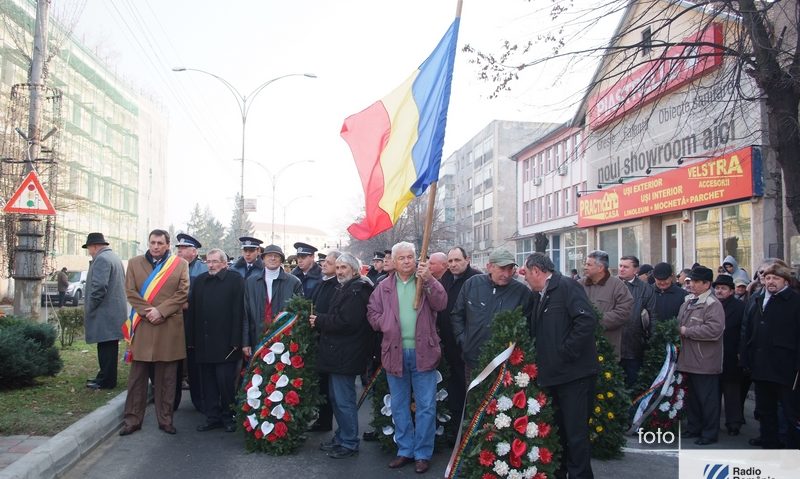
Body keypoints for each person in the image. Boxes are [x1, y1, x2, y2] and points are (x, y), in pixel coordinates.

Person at [367, 241, 447, 474]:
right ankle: (405, 450)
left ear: (416, 259)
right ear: (393, 260)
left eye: (409, 257)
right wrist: (385, 323)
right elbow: (372, 312)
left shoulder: (425, 281)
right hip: (394, 352)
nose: (405, 261)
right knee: (400, 405)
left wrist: (430, 279)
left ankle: (422, 453)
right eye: (401, 257)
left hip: (424, 352)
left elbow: (441, 303)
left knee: (426, 406)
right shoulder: (384, 287)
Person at [524, 252, 597, 479]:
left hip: (574, 375)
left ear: (536, 271)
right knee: (561, 431)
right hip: (554, 376)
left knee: (576, 433)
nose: (525, 278)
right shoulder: (540, 295)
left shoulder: (566, 287)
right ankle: (560, 471)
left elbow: (586, 320)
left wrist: (566, 352)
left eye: (526, 273)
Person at [120, 229, 190, 436]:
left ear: (168, 244)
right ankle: (132, 420)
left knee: (167, 378)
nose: (156, 246)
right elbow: (130, 291)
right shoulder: (134, 263)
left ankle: (165, 419)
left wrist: (161, 311)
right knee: (137, 377)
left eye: (160, 243)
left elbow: (182, 292)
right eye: (152, 242)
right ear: (148, 243)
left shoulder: (180, 265)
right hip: (142, 325)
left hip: (168, 326)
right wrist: (148, 311)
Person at [311, 253, 374, 459]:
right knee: (336, 399)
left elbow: (347, 322)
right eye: (337, 268)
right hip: (337, 353)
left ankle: (349, 442)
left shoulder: (357, 290)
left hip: (346, 354)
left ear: (354, 270)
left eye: (343, 268)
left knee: (344, 400)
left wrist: (319, 320)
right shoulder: (345, 287)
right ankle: (341, 437)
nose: (339, 272)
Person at [741, 261, 800, 449]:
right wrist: (746, 356)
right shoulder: (758, 299)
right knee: (765, 411)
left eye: (776, 278)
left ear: (786, 281)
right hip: (761, 365)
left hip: (786, 367)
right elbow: (748, 330)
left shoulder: (794, 301)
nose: (771, 281)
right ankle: (769, 445)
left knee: (790, 413)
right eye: (767, 278)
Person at [186, 248, 243, 433]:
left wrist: (236, 340)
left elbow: (238, 312)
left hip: (226, 344)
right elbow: (193, 312)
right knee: (207, 382)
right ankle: (212, 416)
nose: (210, 265)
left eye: (214, 261)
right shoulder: (201, 281)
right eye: (208, 261)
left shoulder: (235, 280)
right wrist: (191, 339)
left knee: (225, 383)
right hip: (204, 342)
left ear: (224, 263)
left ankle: (228, 416)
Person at [451, 247, 533, 374]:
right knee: (473, 393)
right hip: (474, 359)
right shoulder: (472, 284)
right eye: (502, 268)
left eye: (510, 269)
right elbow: (457, 315)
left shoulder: (522, 292)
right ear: (489, 267)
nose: (506, 274)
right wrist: (463, 340)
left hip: (505, 364)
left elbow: (528, 325)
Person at [677, 266, 725, 446]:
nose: (692, 285)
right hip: (688, 359)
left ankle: (710, 432)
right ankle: (694, 427)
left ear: (707, 284)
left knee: (708, 400)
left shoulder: (713, 304)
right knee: (692, 398)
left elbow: (714, 330)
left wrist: (686, 331)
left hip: (705, 361)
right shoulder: (688, 301)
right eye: (690, 281)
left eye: (697, 282)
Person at [437, 246, 481, 436]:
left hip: (467, 345)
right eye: (450, 261)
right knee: (452, 387)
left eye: (457, 260)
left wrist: (465, 340)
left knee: (467, 389)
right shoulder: (445, 278)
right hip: (447, 344)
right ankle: (453, 428)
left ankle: (468, 430)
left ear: (467, 259)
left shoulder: (477, 279)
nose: (453, 265)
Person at [82, 233, 127, 390]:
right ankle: (104, 376)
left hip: (105, 312)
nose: (90, 252)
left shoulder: (101, 259)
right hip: (113, 312)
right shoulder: (113, 257)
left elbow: (99, 287)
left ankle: (107, 381)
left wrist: (91, 306)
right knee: (108, 346)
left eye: (89, 248)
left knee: (106, 347)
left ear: (94, 246)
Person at [242, 244, 303, 355]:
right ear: (263, 259)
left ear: (281, 260)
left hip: (283, 339)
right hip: (257, 338)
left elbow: (300, 314)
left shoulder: (294, 282)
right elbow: (245, 314)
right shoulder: (251, 282)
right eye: (269, 255)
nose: (273, 258)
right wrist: (245, 342)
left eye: (277, 256)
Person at [174, 233, 208, 411]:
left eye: (184, 248)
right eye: (178, 248)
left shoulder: (202, 270)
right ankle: (172, 401)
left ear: (194, 252)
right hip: (174, 319)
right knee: (175, 362)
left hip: (193, 320)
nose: (179, 251)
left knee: (193, 361)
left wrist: (188, 304)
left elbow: (205, 297)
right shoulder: (172, 267)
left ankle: (199, 400)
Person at [308, 250, 342, 433]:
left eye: (329, 262)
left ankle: (328, 420)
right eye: (324, 262)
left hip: (330, 339)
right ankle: (322, 419)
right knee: (321, 383)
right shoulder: (323, 283)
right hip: (319, 337)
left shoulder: (337, 285)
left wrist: (319, 320)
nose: (324, 265)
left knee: (332, 388)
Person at [580, 250, 633, 357]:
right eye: (585, 264)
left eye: (589, 264)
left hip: (608, 348)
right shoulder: (578, 285)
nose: (585, 267)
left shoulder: (618, 286)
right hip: (582, 347)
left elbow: (624, 312)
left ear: (600, 268)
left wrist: (595, 321)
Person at [712, 274, 746, 436]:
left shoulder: (740, 307)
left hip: (732, 354)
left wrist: (741, 351)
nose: (719, 291)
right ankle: (713, 422)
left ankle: (734, 423)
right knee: (714, 391)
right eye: (717, 288)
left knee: (732, 391)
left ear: (731, 291)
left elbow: (744, 331)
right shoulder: (711, 304)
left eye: (723, 288)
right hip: (712, 355)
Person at [617, 255, 658, 389]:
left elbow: (653, 316)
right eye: (620, 266)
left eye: (626, 267)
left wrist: (652, 341)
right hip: (613, 346)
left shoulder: (646, 289)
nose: (621, 269)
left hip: (634, 346)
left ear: (636, 270)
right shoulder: (612, 285)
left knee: (632, 385)